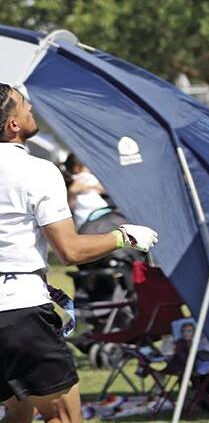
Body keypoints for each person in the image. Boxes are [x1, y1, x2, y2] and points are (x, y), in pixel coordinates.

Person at [0, 83, 159, 423]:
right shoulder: (37, 170)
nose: (30, 109)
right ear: (13, 125)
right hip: (21, 312)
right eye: (25, 106)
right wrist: (124, 237)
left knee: (17, 413)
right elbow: (70, 249)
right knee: (64, 418)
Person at [62, 154, 108, 228]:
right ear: (77, 168)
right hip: (95, 215)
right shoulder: (85, 177)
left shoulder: (68, 181)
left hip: (84, 220)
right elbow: (104, 189)